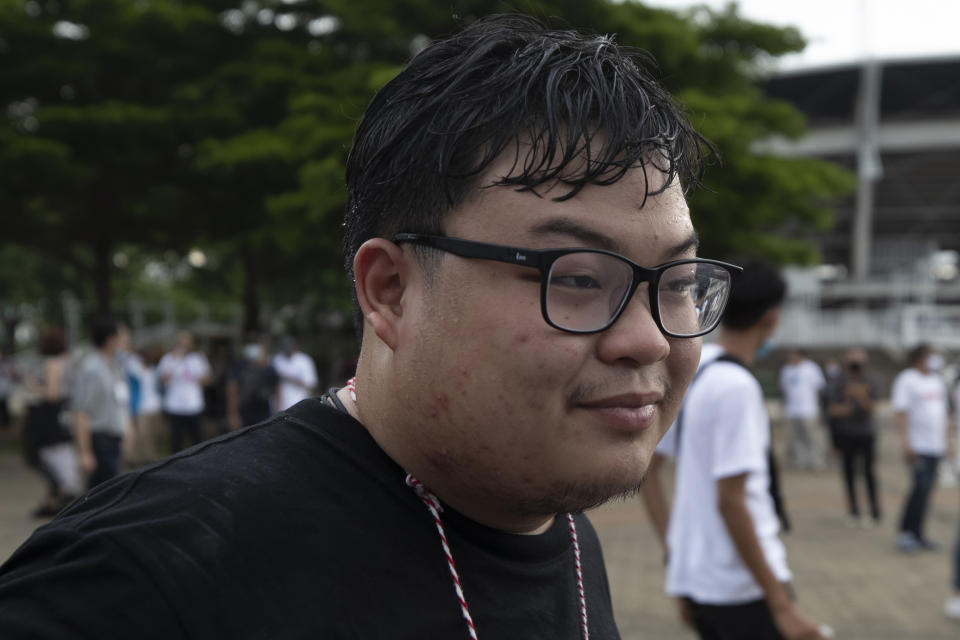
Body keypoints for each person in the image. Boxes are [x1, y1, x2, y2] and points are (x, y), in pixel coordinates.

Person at [0, 14, 740, 637]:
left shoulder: (552, 519)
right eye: (577, 278)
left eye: (677, 281)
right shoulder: (141, 585)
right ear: (390, 290)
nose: (649, 340)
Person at [642, 261, 829, 640]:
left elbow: (648, 473)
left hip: (699, 580)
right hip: (742, 586)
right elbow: (732, 501)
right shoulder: (738, 387)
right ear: (772, 319)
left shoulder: (697, 370)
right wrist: (782, 605)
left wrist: (678, 561)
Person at [892, 343, 948, 552]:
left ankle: (919, 534)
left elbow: (941, 414)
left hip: (935, 445)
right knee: (919, 488)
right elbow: (901, 412)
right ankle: (906, 533)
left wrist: (946, 444)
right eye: (931, 355)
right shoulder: (907, 379)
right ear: (920, 357)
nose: (935, 359)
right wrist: (907, 443)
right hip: (918, 445)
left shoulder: (936, 381)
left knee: (927, 492)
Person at [22, 326, 81, 517]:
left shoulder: (52, 364)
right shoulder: (67, 362)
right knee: (51, 453)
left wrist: (33, 385)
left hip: (47, 415)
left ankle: (60, 490)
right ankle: (56, 494)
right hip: (60, 415)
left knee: (35, 454)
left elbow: (52, 394)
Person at [825, 348, 881, 527]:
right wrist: (849, 404)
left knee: (869, 473)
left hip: (866, 433)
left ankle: (874, 511)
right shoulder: (838, 383)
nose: (856, 366)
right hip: (846, 434)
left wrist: (861, 396)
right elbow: (832, 410)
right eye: (852, 361)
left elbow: (872, 408)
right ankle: (853, 510)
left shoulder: (871, 382)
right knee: (848, 473)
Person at [71, 317, 129, 490]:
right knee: (98, 494)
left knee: (106, 493)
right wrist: (85, 452)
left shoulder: (114, 366)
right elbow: (81, 411)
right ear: (111, 338)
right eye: (123, 335)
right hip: (99, 439)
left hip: (113, 438)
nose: (126, 339)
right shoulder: (92, 368)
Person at [157, 331, 211, 452]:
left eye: (187, 343)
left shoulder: (198, 359)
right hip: (175, 406)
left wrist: (197, 376)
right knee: (176, 441)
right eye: (181, 342)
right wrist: (175, 361)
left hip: (194, 405)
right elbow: (161, 379)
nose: (184, 345)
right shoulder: (168, 358)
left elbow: (207, 380)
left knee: (198, 439)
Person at [779, 349, 826, 471]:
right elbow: (784, 389)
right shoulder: (786, 369)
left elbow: (819, 387)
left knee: (811, 437)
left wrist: (818, 405)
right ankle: (800, 461)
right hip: (792, 410)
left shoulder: (811, 368)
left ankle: (815, 461)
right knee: (796, 438)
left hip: (808, 409)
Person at [226, 335, 278, 430]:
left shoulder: (270, 369)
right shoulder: (239, 367)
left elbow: (277, 390)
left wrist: (277, 412)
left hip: (264, 413)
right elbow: (232, 391)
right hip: (243, 413)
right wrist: (233, 415)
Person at [272, 335, 317, 411]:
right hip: (280, 406)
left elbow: (310, 385)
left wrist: (289, 378)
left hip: (299, 405)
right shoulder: (277, 359)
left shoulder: (304, 360)